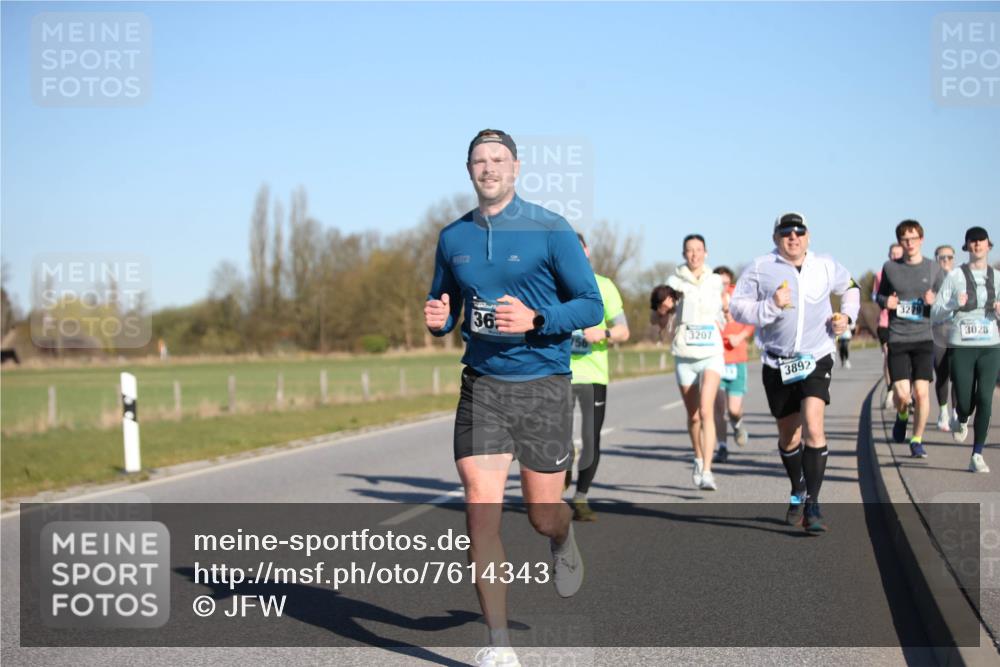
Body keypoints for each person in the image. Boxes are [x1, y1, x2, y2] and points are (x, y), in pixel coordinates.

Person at [424, 129, 603, 667]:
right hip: (482, 387)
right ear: (468, 169)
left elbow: (590, 306)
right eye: (479, 161)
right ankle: (499, 644)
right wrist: (439, 320)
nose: (489, 168)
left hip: (544, 385)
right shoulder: (451, 237)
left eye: (498, 159)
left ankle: (561, 536)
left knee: (542, 514)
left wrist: (538, 318)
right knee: (480, 507)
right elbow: (446, 304)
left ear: (517, 168)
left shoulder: (550, 229)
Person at [731, 212, 860, 533]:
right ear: (776, 238)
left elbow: (853, 287)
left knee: (814, 425)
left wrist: (847, 317)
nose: (793, 237)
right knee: (789, 436)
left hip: (816, 356)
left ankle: (813, 505)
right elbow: (737, 307)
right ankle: (797, 487)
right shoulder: (761, 268)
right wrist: (770, 305)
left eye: (799, 232)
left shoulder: (825, 265)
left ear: (808, 236)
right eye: (786, 232)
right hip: (777, 362)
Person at [565, 233, 630, 521]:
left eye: (577, 250)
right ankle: (563, 465)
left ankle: (581, 498)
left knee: (590, 439)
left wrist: (601, 333)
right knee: (557, 436)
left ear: (587, 251)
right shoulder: (553, 287)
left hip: (594, 374)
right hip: (560, 373)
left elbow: (623, 331)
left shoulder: (604, 286)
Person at [932, 226, 999, 473]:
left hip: (990, 345)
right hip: (962, 345)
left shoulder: (998, 277)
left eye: (981, 241)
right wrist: (951, 303)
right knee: (965, 400)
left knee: (985, 398)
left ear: (988, 245)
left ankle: (977, 454)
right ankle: (961, 417)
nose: (977, 245)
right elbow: (936, 312)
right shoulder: (955, 277)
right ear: (967, 246)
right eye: (973, 241)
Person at [663, 234, 727, 491]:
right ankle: (698, 457)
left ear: (706, 253)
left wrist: (726, 313)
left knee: (706, 409)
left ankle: (708, 471)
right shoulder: (673, 282)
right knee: (693, 416)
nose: (694, 254)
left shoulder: (715, 281)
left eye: (698, 250)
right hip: (685, 354)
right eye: (689, 250)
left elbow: (722, 312)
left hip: (711, 351)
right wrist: (663, 311)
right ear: (683, 254)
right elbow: (664, 317)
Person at [876, 220, 942, 457]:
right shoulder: (890, 268)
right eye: (905, 239)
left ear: (921, 240)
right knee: (902, 395)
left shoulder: (933, 269)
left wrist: (934, 301)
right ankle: (902, 414)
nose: (910, 243)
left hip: (924, 338)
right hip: (898, 338)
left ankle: (917, 439)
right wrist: (886, 302)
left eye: (914, 238)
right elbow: (880, 295)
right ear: (900, 242)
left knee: (922, 393)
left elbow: (945, 300)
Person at [712, 266, 753, 463]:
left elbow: (751, 321)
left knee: (734, 410)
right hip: (715, 360)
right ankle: (722, 446)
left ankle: (737, 425)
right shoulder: (708, 300)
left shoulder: (739, 297)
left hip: (737, 360)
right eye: (719, 283)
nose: (723, 287)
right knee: (718, 407)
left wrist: (741, 336)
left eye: (726, 283)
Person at [874, 243, 905, 408]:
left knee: (905, 360)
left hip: (905, 323)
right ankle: (890, 390)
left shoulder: (909, 274)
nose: (895, 256)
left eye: (898, 254)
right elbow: (876, 296)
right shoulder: (880, 274)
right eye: (892, 253)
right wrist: (886, 301)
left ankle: (906, 394)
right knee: (888, 355)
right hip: (885, 322)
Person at [933, 245, 957, 431]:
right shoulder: (932, 278)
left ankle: (956, 411)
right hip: (938, 329)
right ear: (936, 259)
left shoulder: (961, 277)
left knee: (957, 372)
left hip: (958, 330)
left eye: (949, 257)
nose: (946, 260)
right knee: (941, 371)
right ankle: (943, 411)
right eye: (942, 257)